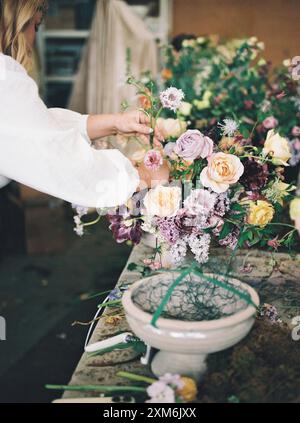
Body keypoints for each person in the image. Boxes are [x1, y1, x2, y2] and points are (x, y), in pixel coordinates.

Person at [0, 0, 163, 209]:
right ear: (16, 20)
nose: (33, 38)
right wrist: (143, 176)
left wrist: (115, 122)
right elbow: (56, 155)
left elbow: (31, 125)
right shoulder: (4, 75)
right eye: (36, 25)